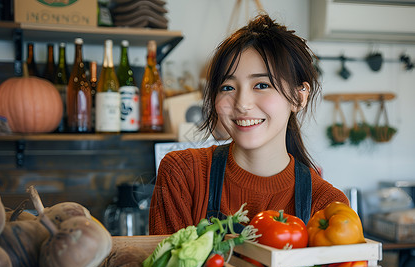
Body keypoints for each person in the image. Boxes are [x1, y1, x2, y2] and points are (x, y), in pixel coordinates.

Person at [149, 13, 349, 235]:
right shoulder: (183, 174)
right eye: (227, 87)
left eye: (262, 85)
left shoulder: (326, 206)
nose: (242, 104)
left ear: (299, 97)